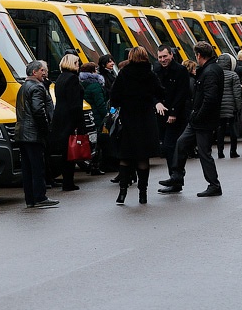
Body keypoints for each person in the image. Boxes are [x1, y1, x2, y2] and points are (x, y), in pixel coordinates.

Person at [158, 41, 224, 197]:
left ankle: (214, 185)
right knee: (181, 144)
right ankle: (176, 177)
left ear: (199, 55)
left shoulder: (210, 72)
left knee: (204, 153)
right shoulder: (210, 69)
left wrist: (198, 114)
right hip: (198, 120)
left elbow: (210, 99)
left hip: (203, 120)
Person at [108, 47, 167, 205]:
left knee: (125, 157)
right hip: (146, 119)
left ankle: (122, 193)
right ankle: (143, 193)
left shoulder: (124, 73)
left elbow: (114, 96)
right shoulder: (150, 73)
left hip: (128, 119)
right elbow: (160, 92)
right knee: (143, 158)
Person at [14, 60, 58, 208]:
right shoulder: (37, 87)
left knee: (27, 168)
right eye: (42, 71)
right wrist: (45, 128)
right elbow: (38, 110)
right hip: (33, 133)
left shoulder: (23, 87)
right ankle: (40, 197)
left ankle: (30, 199)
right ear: (34, 72)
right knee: (38, 167)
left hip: (22, 133)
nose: (45, 73)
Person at [49, 52, 86, 191]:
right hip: (69, 119)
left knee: (65, 150)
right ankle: (68, 182)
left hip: (60, 117)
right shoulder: (72, 79)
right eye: (77, 63)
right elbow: (75, 104)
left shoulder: (60, 78)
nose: (79, 66)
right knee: (70, 152)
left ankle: (67, 180)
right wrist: (80, 124)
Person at [154, 45, 190, 177]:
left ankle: (176, 175)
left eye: (165, 56)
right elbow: (153, 90)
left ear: (171, 55)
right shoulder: (156, 70)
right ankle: (174, 175)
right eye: (160, 57)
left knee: (171, 146)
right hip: (162, 114)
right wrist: (156, 102)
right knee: (167, 147)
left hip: (177, 115)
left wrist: (173, 113)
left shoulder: (181, 70)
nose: (163, 59)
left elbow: (182, 93)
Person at [79, 62, 108, 175]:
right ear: (92, 72)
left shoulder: (81, 83)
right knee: (98, 143)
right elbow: (100, 103)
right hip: (97, 117)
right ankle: (95, 166)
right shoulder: (95, 85)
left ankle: (89, 164)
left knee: (90, 140)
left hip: (88, 115)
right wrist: (106, 116)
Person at [215, 53, 242, 159]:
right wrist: (238, 106)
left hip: (219, 106)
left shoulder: (216, 74)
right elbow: (237, 93)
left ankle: (220, 152)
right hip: (231, 106)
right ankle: (233, 151)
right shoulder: (233, 75)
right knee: (232, 129)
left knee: (220, 130)